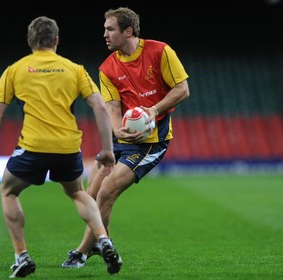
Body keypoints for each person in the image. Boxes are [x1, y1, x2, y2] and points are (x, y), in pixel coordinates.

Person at [0, 16, 122, 278]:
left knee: (8, 191)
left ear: (30, 41)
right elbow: (100, 106)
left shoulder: (15, 70)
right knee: (78, 193)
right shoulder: (74, 69)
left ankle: (21, 256)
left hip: (33, 147)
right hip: (68, 148)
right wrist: (108, 149)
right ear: (56, 40)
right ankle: (103, 240)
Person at [61, 7, 190, 269]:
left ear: (128, 31)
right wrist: (117, 129)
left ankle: (82, 252)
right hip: (120, 139)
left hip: (152, 140)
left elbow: (182, 89)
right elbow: (112, 108)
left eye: (110, 29)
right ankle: (98, 244)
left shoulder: (161, 51)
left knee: (106, 193)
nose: (104, 34)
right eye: (105, 29)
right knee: (92, 194)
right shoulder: (107, 67)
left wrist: (153, 111)